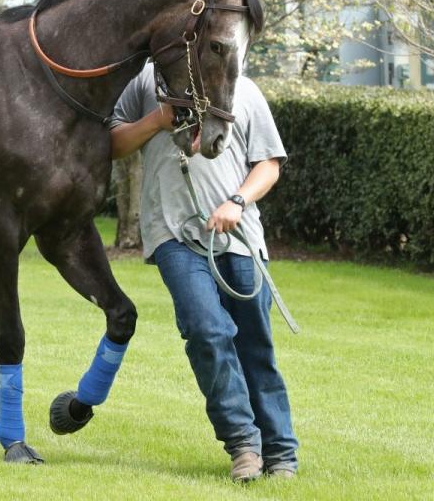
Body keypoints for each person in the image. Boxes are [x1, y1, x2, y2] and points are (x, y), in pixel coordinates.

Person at [110, 63, 298, 482]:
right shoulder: (147, 82)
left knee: (255, 344)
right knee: (205, 330)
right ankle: (243, 445)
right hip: (172, 235)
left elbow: (268, 165)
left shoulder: (243, 89)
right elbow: (113, 143)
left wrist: (237, 200)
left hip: (239, 236)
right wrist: (157, 120)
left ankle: (281, 451)